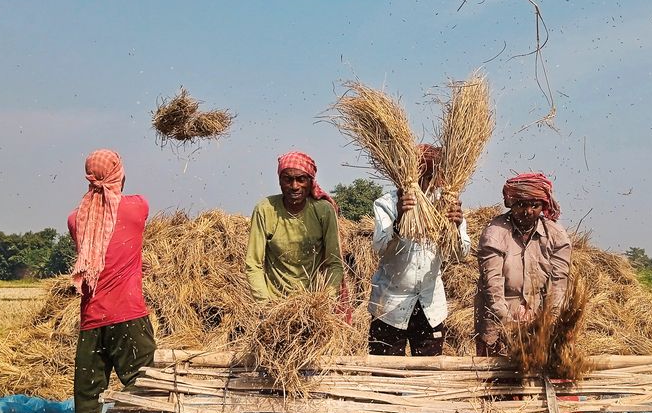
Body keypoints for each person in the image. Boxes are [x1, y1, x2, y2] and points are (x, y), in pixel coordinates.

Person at [67, 149, 155, 413]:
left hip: (92, 320)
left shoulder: (75, 219)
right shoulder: (137, 207)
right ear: (119, 175)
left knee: (88, 392)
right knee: (147, 381)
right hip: (129, 316)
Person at [368, 145, 469, 356]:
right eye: (421, 176)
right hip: (389, 306)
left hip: (430, 306)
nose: (426, 183)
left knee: (428, 371)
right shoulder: (388, 203)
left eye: (431, 177)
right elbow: (378, 247)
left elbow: (461, 254)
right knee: (386, 370)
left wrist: (456, 228)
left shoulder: (446, 204)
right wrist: (398, 219)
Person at [475, 172, 572, 356]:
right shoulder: (495, 233)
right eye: (521, 205)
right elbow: (492, 284)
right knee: (494, 369)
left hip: (538, 315)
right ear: (510, 203)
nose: (527, 211)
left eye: (534, 206)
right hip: (498, 318)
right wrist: (509, 324)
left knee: (538, 368)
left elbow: (559, 282)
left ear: (543, 206)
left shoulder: (556, 236)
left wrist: (549, 319)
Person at [245, 150, 345, 304]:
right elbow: (253, 263)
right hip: (274, 303)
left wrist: (326, 300)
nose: (294, 186)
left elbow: (334, 262)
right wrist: (265, 304)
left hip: (314, 303)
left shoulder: (323, 211)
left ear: (310, 181)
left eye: (301, 179)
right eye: (287, 180)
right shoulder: (265, 210)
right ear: (279, 181)